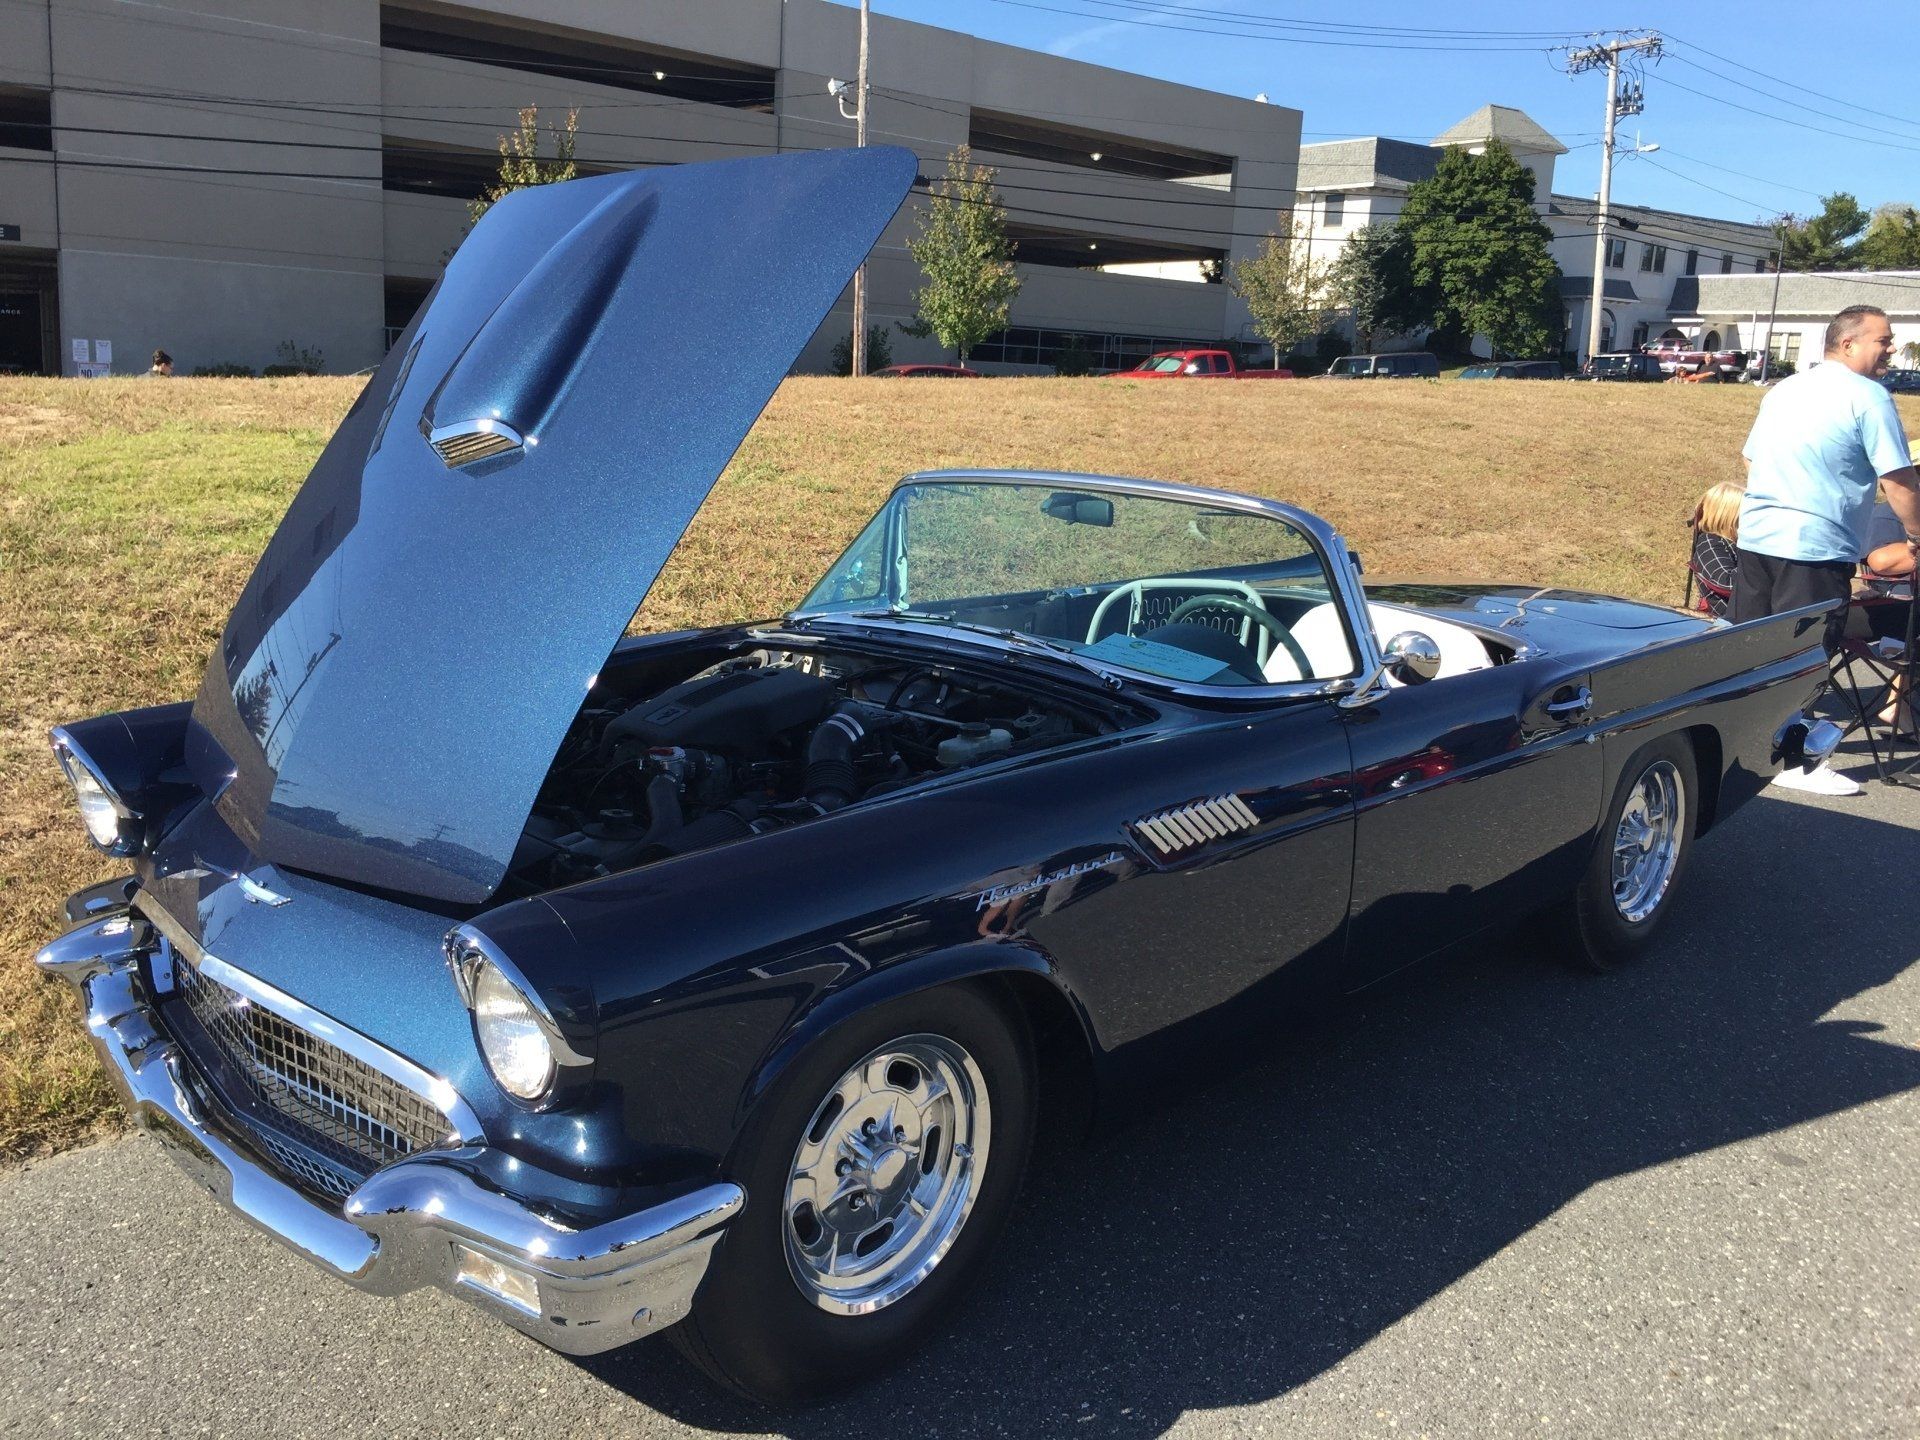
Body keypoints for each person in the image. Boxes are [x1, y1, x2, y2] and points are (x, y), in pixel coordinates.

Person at [1734, 304, 1920, 795]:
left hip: (1757, 535)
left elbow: (1751, 455)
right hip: (1814, 544)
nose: (1891, 349)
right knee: (1806, 651)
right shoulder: (1868, 396)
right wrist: (1918, 536)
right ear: (1848, 343)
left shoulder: (1786, 389)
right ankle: (1796, 762)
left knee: (1753, 647)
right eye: (1884, 340)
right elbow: (1898, 477)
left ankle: (1740, 746)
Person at [1687, 480, 1743, 618]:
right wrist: (1759, 563)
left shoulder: (1736, 544)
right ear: (1729, 516)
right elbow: (1724, 582)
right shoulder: (1710, 542)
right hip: (1722, 625)